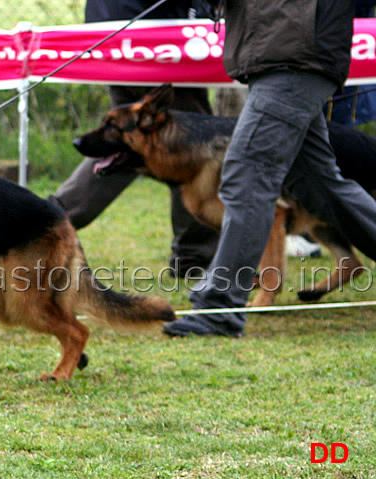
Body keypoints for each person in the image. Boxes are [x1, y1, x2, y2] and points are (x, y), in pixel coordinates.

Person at [163, 0, 376, 337]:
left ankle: (219, 309)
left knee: (246, 175)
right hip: (286, 51)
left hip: (296, 52)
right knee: (318, 184)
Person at [50, 0, 220, 277]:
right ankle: (194, 257)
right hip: (156, 39)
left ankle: (55, 213)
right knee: (191, 151)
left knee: (127, 147)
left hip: (112, 34)